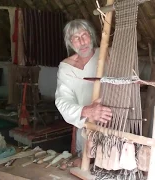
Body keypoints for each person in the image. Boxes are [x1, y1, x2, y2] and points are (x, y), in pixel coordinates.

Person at [55, 19, 112, 164]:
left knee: (111, 164)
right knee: (86, 166)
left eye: (84, 35)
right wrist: (86, 111)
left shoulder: (107, 55)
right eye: (76, 38)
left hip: (113, 126)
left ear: (91, 35)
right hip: (86, 129)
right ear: (70, 42)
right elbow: (62, 101)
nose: (82, 42)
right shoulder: (66, 67)